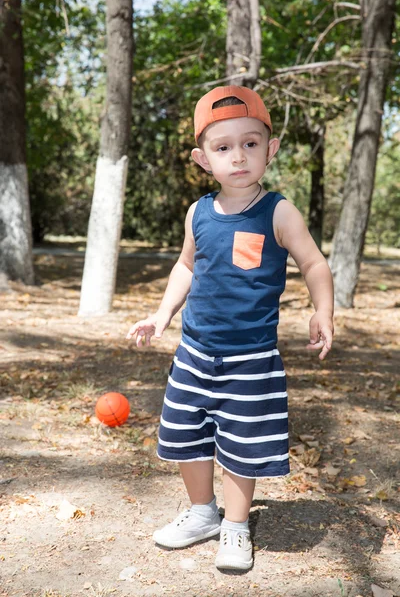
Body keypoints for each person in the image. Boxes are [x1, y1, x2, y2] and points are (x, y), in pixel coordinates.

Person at [126, 85, 334, 571]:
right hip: (195, 353)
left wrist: (323, 309)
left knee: (242, 445)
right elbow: (186, 267)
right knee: (184, 434)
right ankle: (203, 512)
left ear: (271, 148)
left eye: (250, 144)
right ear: (203, 159)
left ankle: (236, 527)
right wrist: (162, 315)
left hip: (250, 359)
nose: (237, 157)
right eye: (223, 148)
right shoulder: (198, 213)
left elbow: (314, 264)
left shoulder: (277, 212)